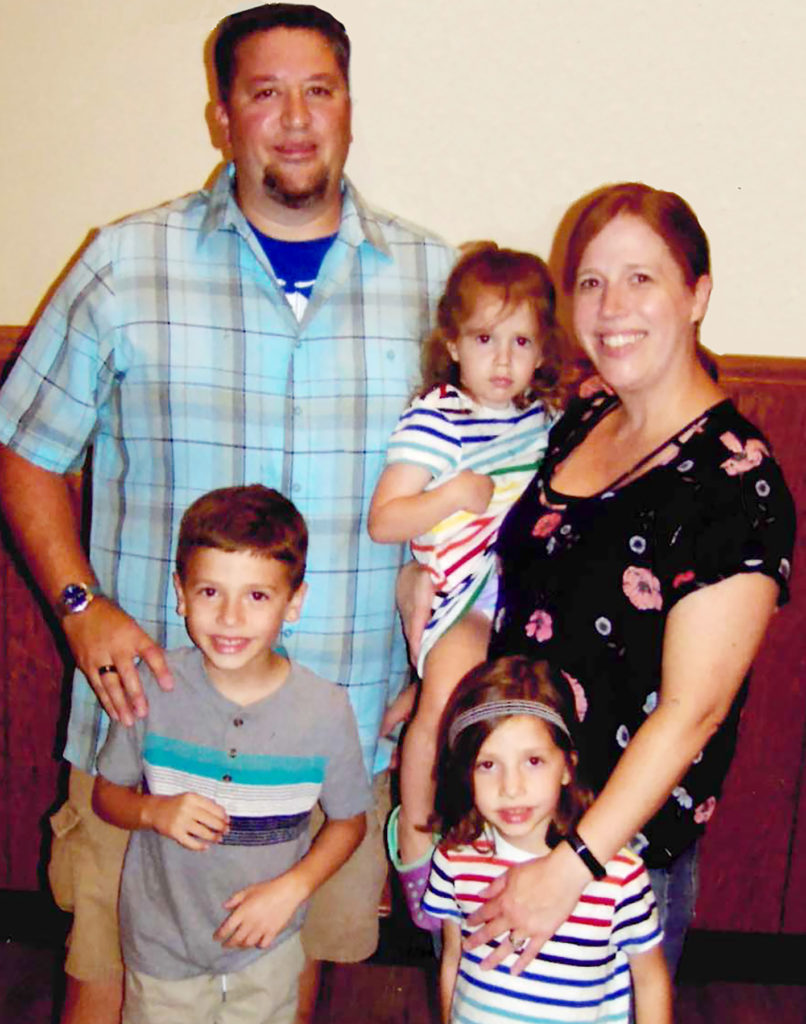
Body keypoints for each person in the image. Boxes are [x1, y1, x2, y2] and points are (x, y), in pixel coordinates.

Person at [0, 5, 454, 1022]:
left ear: (348, 107)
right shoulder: (126, 265)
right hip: (146, 731)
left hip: (335, 740)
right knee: (109, 984)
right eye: (264, 92)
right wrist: (79, 607)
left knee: (274, 991)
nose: (295, 118)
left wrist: (438, 667)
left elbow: (486, 491)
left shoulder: (434, 284)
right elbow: (23, 449)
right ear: (221, 116)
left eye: (318, 91)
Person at [464, 183, 796, 975]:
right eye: (591, 281)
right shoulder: (582, 416)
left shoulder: (735, 479)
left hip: (613, 864)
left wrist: (569, 869)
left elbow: (693, 712)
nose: (612, 306)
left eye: (641, 278)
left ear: (697, 295)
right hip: (510, 815)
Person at [93, 485, 369, 1023]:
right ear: (181, 593)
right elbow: (107, 794)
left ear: (294, 603)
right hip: (162, 948)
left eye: (257, 596)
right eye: (210, 592)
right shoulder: (152, 688)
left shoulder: (325, 708)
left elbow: (349, 822)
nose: (230, 617)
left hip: (267, 949)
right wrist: (153, 811)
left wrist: (292, 889)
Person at [368, 244, 567, 928]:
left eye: (521, 342)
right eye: (484, 339)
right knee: (442, 711)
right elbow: (385, 520)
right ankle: (415, 841)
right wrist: (450, 495)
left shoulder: (540, 419)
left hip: (519, 593)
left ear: (542, 351)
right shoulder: (437, 417)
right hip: (462, 597)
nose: (503, 361)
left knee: (508, 725)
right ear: (452, 344)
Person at [423, 656, 671, 1024]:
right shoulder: (454, 860)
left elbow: (649, 980)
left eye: (534, 761)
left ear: (568, 766)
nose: (511, 788)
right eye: (487, 765)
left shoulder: (619, 876)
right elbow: (453, 960)